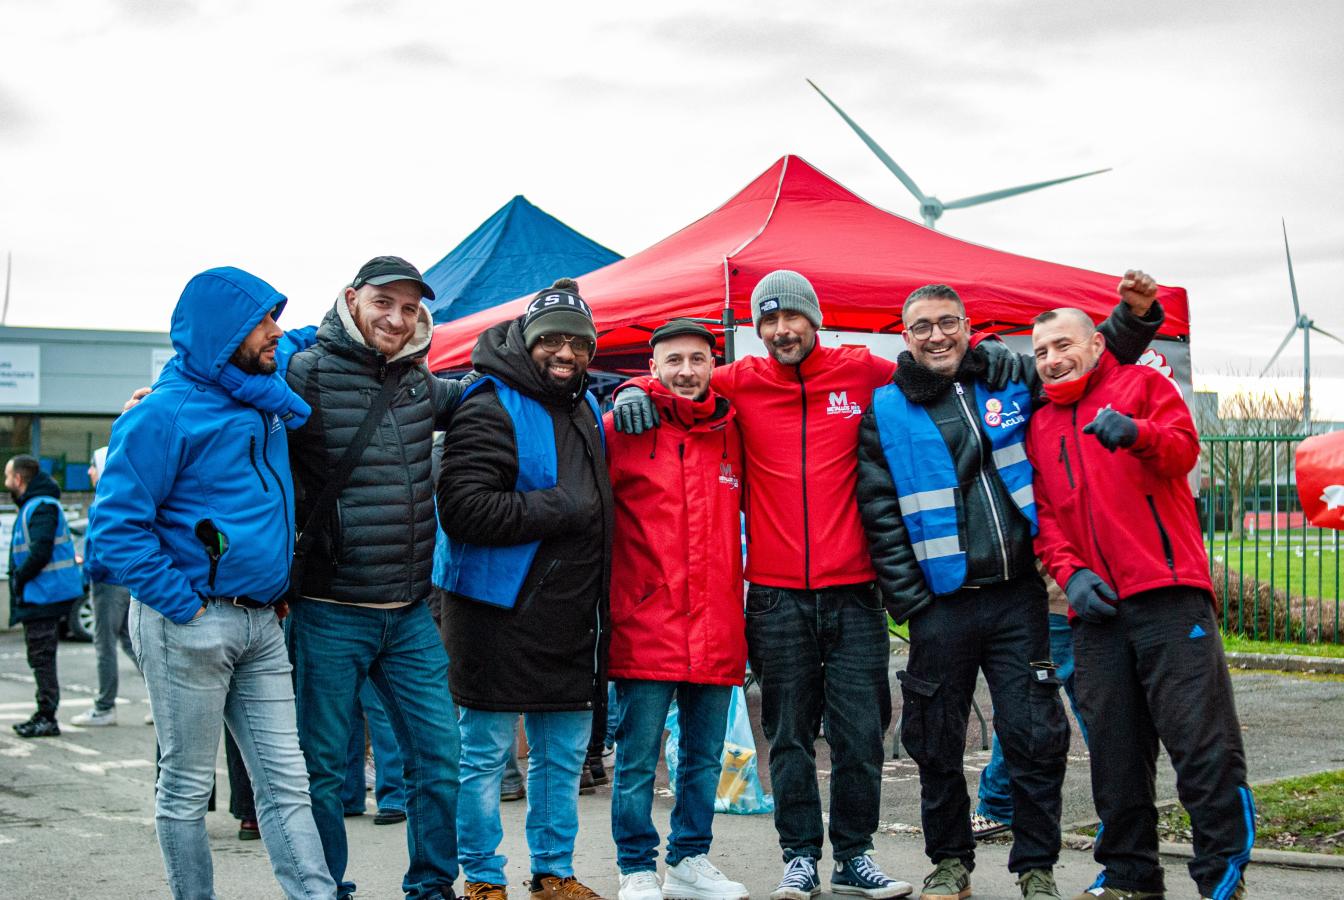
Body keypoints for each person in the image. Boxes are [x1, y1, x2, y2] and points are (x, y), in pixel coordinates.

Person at [613, 271, 931, 900]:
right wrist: (632, 387)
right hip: (776, 594)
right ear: (757, 330)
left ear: (814, 318)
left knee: (859, 734)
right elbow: (684, 378)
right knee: (786, 736)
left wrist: (994, 355)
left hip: (856, 591)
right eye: (770, 321)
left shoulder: (861, 371)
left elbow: (929, 369)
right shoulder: (741, 382)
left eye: (793, 318)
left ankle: (855, 858)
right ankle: (799, 858)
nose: (783, 330)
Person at [856, 275, 1162, 900]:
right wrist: (909, 600)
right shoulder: (885, 409)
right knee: (935, 741)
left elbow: (1087, 355)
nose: (936, 335)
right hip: (939, 606)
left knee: (1034, 737)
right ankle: (949, 865)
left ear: (969, 328)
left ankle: (1036, 868)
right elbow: (880, 511)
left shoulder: (1012, 378)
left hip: (1018, 596)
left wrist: (1133, 318)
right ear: (905, 336)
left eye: (948, 323)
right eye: (923, 327)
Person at [88, 266, 335, 899]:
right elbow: (116, 530)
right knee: (187, 788)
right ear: (223, 336)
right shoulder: (161, 415)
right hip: (189, 623)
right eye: (262, 322)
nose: (276, 332)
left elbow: (305, 335)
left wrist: (352, 311)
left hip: (263, 621)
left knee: (286, 784)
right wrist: (185, 608)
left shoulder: (261, 386)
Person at [1027, 307, 1252, 900]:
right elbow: (1044, 518)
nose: (1052, 359)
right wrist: (1070, 575)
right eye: (1041, 351)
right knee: (1114, 753)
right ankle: (1131, 875)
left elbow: (1182, 451)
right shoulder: (1040, 426)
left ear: (1096, 342)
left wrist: (1137, 433)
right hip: (1095, 614)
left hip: (1169, 599)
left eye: (1063, 345)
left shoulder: (1143, 385)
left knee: (1202, 746)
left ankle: (1221, 876)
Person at [284, 255, 463, 900]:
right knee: (323, 771)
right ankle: (323, 888)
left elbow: (489, 392)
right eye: (384, 302)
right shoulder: (303, 373)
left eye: (410, 308)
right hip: (330, 609)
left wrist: (624, 389)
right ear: (353, 298)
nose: (396, 318)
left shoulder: (420, 379)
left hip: (410, 610)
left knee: (440, 760)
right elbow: (235, 405)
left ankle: (432, 887)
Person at [437, 278, 612, 900]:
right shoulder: (487, 403)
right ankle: (482, 878)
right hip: (494, 611)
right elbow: (463, 509)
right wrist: (560, 506)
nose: (565, 354)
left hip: (567, 615)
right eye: (552, 342)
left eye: (579, 343)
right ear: (526, 341)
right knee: (483, 756)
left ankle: (553, 872)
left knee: (562, 758)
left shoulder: (584, 405)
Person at [604, 320, 750, 900]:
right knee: (637, 759)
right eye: (673, 360)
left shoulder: (733, 429)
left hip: (716, 621)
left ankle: (689, 859)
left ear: (712, 364)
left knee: (703, 758)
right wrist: (624, 392)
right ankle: (635, 866)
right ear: (653, 365)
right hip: (646, 621)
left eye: (697, 359)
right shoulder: (623, 427)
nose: (686, 371)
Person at [972, 567, 1089, 840]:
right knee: (1095, 713)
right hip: (1080, 596)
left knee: (1025, 706)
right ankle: (1122, 818)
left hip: (1050, 597)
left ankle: (997, 804)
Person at [7, 454, 83, 738]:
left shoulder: (41, 507)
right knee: (40, 657)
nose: (6, 482)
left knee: (42, 657)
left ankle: (46, 716)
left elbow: (40, 551)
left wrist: (18, 578)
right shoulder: (35, 505)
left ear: (18, 479)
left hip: (43, 595)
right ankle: (44, 713)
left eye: (7, 476)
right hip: (39, 594)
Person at [72, 445, 143, 728]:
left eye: (92, 465)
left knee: (105, 645)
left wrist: (90, 570)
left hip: (106, 583)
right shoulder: (124, 494)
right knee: (129, 641)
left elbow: (101, 546)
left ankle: (104, 707)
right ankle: (159, 700)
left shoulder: (104, 499)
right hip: (124, 582)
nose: (89, 471)